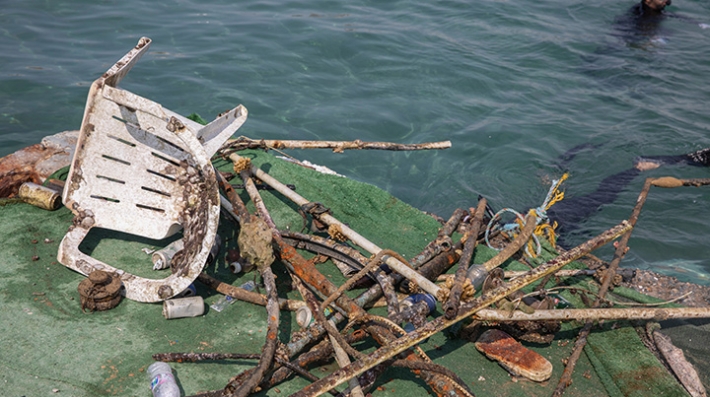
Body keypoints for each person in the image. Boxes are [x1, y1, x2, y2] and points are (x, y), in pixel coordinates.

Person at [545, 146, 709, 245]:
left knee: (602, 196)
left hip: (561, 213)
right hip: (560, 214)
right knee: (602, 196)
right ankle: (640, 167)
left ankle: (641, 167)